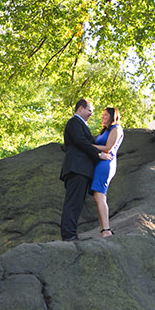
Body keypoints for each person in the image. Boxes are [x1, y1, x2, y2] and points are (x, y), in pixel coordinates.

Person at [59, 98, 111, 242]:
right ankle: (68, 235)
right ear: (80, 108)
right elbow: (81, 141)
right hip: (76, 168)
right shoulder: (74, 123)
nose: (91, 114)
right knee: (73, 202)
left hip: (82, 170)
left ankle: (71, 234)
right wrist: (98, 154)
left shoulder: (81, 124)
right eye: (89, 110)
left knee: (77, 203)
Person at [90, 106, 124, 238]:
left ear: (112, 116)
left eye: (105, 115)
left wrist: (89, 146)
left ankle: (106, 230)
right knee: (98, 196)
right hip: (100, 162)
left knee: (100, 196)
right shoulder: (105, 131)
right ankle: (103, 229)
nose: (102, 117)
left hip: (106, 163)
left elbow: (108, 148)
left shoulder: (116, 129)